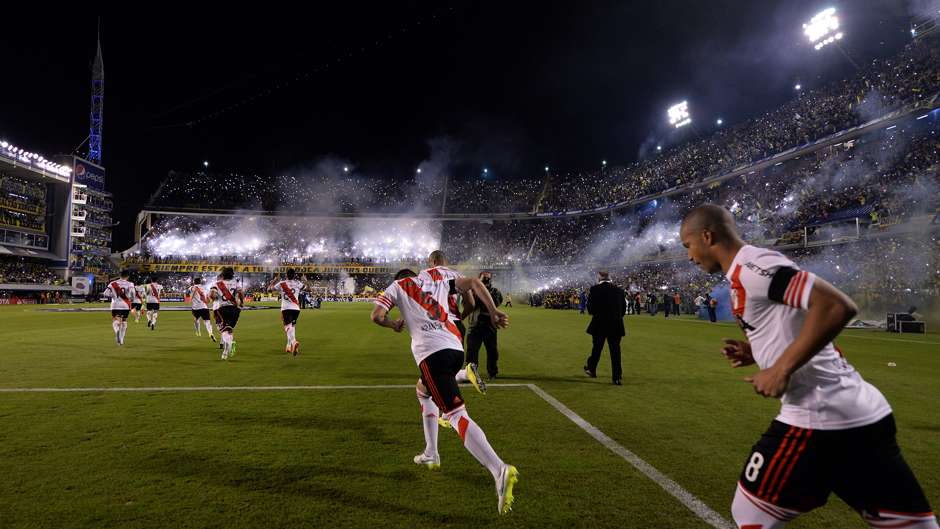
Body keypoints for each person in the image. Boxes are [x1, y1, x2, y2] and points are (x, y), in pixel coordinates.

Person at [680, 204, 937, 529]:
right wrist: (759, 352)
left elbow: (835, 305)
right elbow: (793, 324)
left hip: (818, 420)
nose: (688, 256)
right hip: (863, 415)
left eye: (687, 245)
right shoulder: (748, 270)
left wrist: (780, 369)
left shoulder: (753, 267)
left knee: (749, 513)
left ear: (707, 236)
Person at [370, 267, 518, 514]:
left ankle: (498, 469)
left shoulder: (397, 286)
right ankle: (431, 452)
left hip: (431, 353)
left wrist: (393, 324)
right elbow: (472, 284)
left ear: (399, 279)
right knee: (422, 390)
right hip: (455, 349)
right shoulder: (436, 280)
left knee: (456, 415)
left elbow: (376, 316)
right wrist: (491, 311)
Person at [583, 271, 626, 385]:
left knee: (596, 349)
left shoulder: (594, 289)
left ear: (600, 278)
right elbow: (623, 310)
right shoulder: (619, 291)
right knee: (615, 352)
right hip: (616, 325)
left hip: (599, 324)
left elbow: (590, 309)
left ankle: (592, 369)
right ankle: (616, 377)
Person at [466, 271, 503, 380]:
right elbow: (472, 303)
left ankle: (492, 372)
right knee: (472, 351)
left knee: (492, 351)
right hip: (475, 325)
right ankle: (470, 374)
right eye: (484, 278)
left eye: (488, 278)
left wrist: (485, 294)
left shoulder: (495, 291)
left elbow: (496, 303)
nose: (486, 280)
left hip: (489, 325)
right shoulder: (472, 291)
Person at [209, 267, 245, 360]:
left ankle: (228, 346)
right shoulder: (236, 283)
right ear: (232, 275)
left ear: (223, 275)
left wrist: (213, 297)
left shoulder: (217, 284)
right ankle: (227, 349)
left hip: (223, 310)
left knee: (223, 330)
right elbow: (241, 292)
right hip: (235, 310)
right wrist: (241, 302)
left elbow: (212, 294)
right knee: (229, 329)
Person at [271, 269, 307, 355]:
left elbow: (269, 289)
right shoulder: (298, 283)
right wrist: (306, 281)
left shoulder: (282, 283)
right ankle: (288, 345)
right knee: (292, 326)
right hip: (296, 309)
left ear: (286, 275)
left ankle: (293, 342)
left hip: (286, 308)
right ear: (294, 275)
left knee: (287, 327)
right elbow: (308, 289)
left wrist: (274, 280)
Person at [103, 270, 134, 346]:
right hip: (126, 305)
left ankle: (117, 331)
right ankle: (122, 340)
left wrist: (113, 296)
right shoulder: (130, 284)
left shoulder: (112, 283)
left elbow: (105, 293)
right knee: (124, 321)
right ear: (127, 276)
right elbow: (133, 293)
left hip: (115, 305)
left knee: (115, 320)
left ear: (120, 275)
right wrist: (131, 299)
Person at [188, 277, 215, 342]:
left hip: (196, 308)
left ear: (194, 282)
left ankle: (198, 332)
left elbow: (191, 291)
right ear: (200, 282)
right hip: (204, 307)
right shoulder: (205, 288)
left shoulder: (192, 287)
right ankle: (210, 333)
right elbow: (208, 297)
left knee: (196, 320)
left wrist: (191, 298)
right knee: (207, 322)